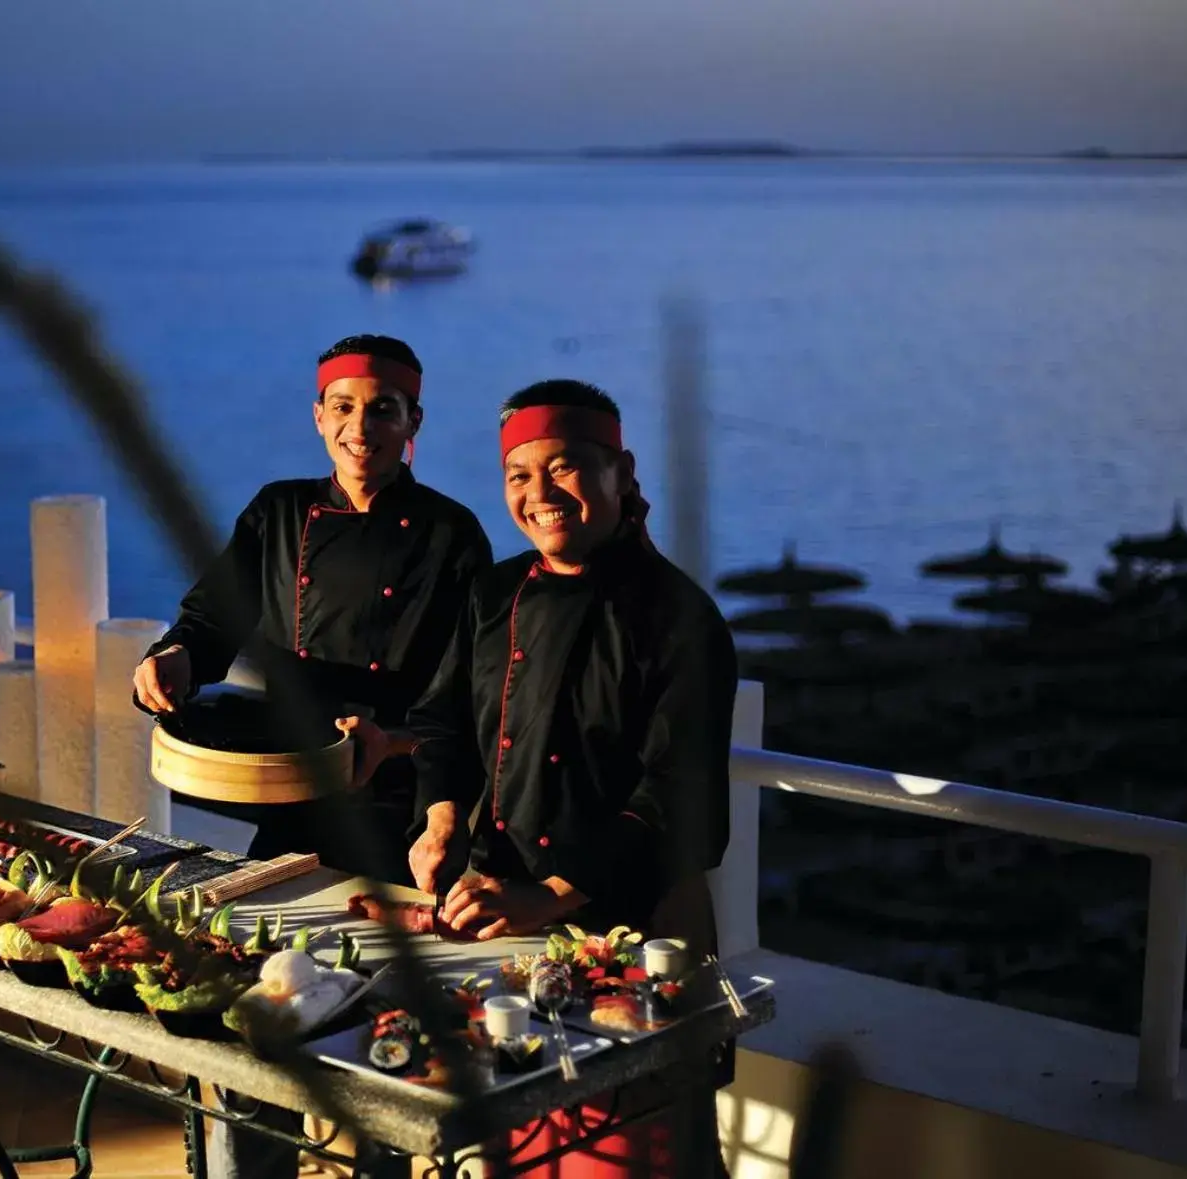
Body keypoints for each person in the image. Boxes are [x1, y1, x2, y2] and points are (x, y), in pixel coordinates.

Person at [400, 379, 739, 1178]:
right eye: (520, 474)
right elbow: (443, 722)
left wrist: (550, 893)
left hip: (638, 927)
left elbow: (679, 799)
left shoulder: (681, 618)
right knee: (526, 1146)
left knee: (636, 1153)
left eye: (566, 468)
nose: (540, 493)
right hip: (509, 924)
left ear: (621, 469)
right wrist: (441, 817)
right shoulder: (492, 593)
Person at [132, 334, 493, 882]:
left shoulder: (452, 533)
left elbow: (471, 686)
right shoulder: (278, 511)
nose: (361, 428)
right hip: (293, 777)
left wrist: (394, 743)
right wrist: (175, 654)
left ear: (413, 422)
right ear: (319, 416)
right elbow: (214, 617)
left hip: (401, 792)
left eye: (383, 410)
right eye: (344, 407)